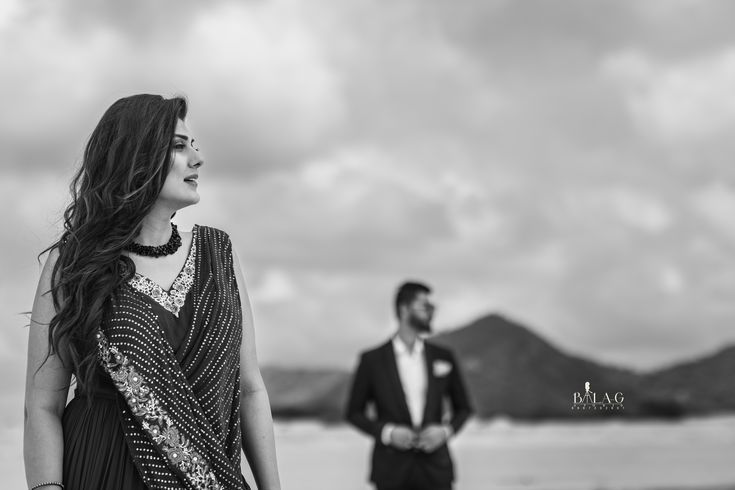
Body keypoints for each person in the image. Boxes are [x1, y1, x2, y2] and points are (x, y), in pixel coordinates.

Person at [23, 94, 281, 490]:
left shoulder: (219, 255)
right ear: (135, 155)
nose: (197, 159)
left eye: (194, 146)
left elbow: (250, 389)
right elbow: (43, 405)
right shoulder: (74, 265)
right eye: (179, 146)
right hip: (102, 468)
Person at [345, 281, 473, 490]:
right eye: (425, 306)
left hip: (436, 469)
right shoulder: (372, 360)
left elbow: (465, 408)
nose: (431, 312)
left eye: (432, 307)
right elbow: (353, 412)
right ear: (404, 310)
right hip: (390, 471)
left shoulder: (443, 357)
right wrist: (388, 433)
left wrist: (444, 432)